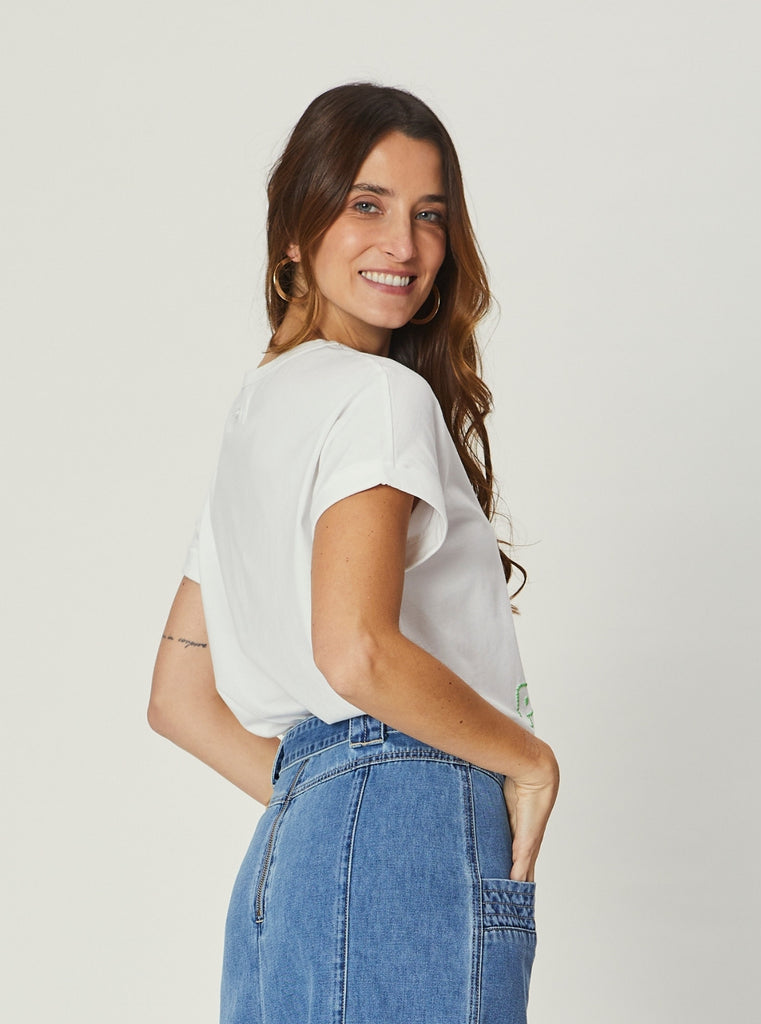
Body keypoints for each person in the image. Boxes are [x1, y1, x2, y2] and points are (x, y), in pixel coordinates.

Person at [148, 82, 559, 1024]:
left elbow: (176, 697)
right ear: (295, 225)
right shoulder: (379, 398)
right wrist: (526, 762)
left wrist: (330, 792)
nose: (404, 246)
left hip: (290, 854)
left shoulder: (256, 421)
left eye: (429, 216)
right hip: (407, 827)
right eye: (365, 205)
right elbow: (358, 651)